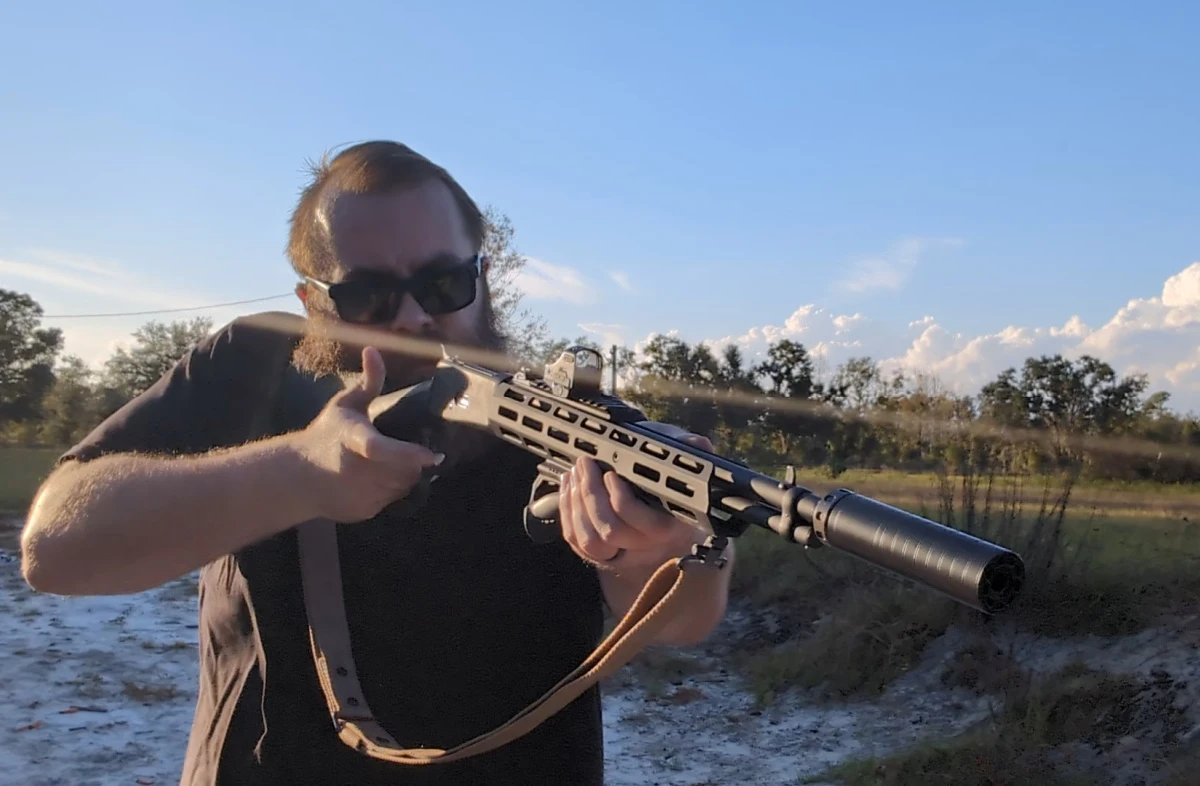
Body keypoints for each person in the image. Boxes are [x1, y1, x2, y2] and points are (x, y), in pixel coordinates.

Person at [19, 140, 735, 785]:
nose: (415, 318)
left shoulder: (564, 420)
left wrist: (660, 553)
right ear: (312, 301)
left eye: (443, 283)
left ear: (483, 276)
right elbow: (54, 549)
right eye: (368, 295)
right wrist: (296, 472)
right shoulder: (252, 367)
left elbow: (684, 623)